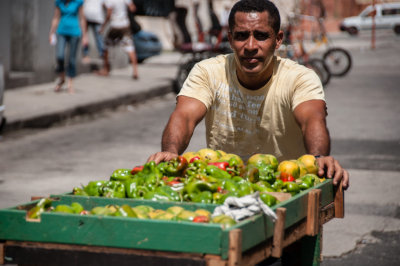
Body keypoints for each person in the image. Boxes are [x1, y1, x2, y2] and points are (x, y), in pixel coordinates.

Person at [148, 0, 349, 190]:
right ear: (230, 39)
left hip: (286, 187)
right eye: (242, 36)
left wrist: (319, 156)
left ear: (278, 40)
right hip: (224, 185)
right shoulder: (207, 71)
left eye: (261, 36)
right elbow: (184, 116)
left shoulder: (300, 78)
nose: (250, 46)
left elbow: (312, 119)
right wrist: (171, 152)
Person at [49, 0, 88, 93]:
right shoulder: (59, 2)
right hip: (61, 32)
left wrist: (85, 36)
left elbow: (82, 18)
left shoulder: (78, 2)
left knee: (71, 59)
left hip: (74, 33)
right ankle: (62, 78)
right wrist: (51, 33)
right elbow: (56, 17)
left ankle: (70, 83)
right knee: (60, 56)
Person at [99, 0, 139, 79]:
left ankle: (106, 69)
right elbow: (133, 8)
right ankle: (135, 71)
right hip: (125, 25)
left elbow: (109, 14)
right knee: (130, 48)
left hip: (115, 25)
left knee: (106, 46)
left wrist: (103, 26)